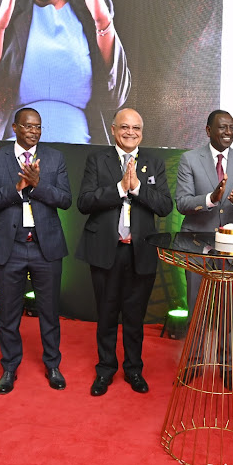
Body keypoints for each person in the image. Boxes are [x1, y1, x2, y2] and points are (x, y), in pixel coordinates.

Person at [75, 108, 172, 395]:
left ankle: (133, 369)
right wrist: (119, 188)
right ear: (114, 130)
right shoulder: (97, 160)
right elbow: (84, 202)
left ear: (142, 132)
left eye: (136, 129)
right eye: (125, 128)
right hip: (106, 249)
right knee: (106, 314)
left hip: (139, 251)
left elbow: (165, 205)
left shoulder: (153, 163)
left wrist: (138, 188)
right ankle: (105, 369)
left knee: (134, 316)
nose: (131, 133)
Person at [0, 107, 72, 393]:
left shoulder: (55, 158)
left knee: (49, 312)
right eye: (28, 126)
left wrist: (37, 185)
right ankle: (9, 367)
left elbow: (65, 199)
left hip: (45, 248)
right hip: (10, 248)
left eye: (38, 127)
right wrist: (17, 186)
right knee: (8, 313)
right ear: (15, 127)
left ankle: (53, 364)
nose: (34, 131)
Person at [0, 0, 130, 144]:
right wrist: (0, 26)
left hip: (79, 149)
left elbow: (115, 96)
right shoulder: (10, 8)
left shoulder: (90, 5)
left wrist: (102, 20)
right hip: (15, 149)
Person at [175, 110, 233, 385]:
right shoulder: (189, 159)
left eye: (232, 128)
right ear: (208, 130)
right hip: (196, 243)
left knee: (228, 309)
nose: (228, 132)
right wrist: (211, 199)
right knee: (196, 305)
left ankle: (226, 365)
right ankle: (194, 362)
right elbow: (182, 203)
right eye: (222, 127)